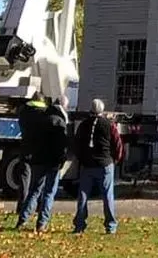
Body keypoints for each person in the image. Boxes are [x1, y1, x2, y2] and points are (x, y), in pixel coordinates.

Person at [14, 95, 71, 231]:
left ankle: (22, 220)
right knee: (49, 192)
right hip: (53, 162)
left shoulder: (41, 119)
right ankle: (42, 222)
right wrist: (62, 159)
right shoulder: (60, 122)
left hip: (38, 160)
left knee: (34, 190)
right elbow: (62, 145)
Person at [72, 99, 122, 235]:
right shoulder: (109, 125)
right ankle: (110, 226)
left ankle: (79, 225)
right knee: (107, 196)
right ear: (102, 111)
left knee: (83, 195)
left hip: (87, 165)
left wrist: (81, 159)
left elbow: (76, 144)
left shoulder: (83, 125)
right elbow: (117, 144)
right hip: (105, 164)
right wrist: (115, 160)